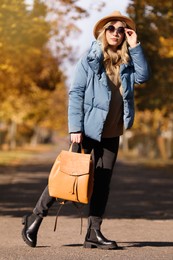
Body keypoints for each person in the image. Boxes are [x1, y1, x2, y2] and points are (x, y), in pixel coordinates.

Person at [22, 10, 150, 250]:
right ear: (104, 31)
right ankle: (34, 219)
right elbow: (76, 93)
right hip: (88, 130)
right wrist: (75, 128)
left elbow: (143, 77)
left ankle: (94, 233)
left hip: (113, 130)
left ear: (126, 34)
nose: (116, 33)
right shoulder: (90, 58)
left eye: (121, 29)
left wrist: (135, 46)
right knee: (67, 176)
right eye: (111, 28)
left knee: (102, 183)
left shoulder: (128, 60)